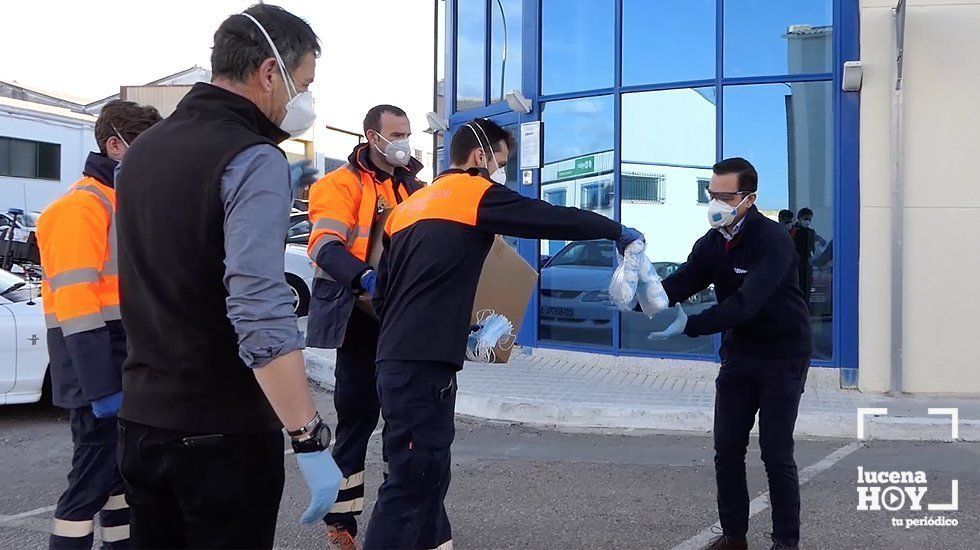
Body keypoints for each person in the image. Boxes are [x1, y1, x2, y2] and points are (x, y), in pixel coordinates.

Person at [114, 5, 341, 548]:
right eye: (302, 83)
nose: (300, 100)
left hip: (142, 422)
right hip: (221, 437)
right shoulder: (252, 157)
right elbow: (259, 306)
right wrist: (309, 437)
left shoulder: (139, 154)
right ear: (269, 72)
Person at [363, 118, 643, 550]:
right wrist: (613, 231)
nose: (501, 171)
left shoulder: (409, 208)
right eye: (501, 161)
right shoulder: (471, 193)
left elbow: (385, 295)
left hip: (399, 360)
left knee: (428, 472)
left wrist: (453, 327)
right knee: (411, 483)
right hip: (421, 366)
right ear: (479, 157)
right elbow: (549, 219)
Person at [646, 158, 811, 550]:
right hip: (740, 355)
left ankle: (786, 543)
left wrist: (692, 326)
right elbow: (683, 281)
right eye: (712, 194)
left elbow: (746, 304)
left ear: (749, 198)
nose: (716, 202)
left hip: (783, 355)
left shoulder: (773, 240)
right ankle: (734, 537)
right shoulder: (713, 241)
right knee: (728, 447)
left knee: (775, 453)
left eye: (725, 195)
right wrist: (641, 294)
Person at [37, 100, 161, 550]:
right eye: (145, 148)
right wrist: (100, 387)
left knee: (119, 484)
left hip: (121, 363)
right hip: (99, 371)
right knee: (88, 485)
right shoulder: (82, 207)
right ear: (115, 145)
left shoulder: (120, 202)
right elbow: (75, 302)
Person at [306, 104, 424, 549]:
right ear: (372, 136)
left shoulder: (413, 187)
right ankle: (342, 524)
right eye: (396, 134)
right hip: (357, 315)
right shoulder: (339, 185)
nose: (403, 143)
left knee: (402, 422)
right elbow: (324, 245)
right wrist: (365, 277)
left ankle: (398, 521)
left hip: (399, 317)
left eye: (407, 134)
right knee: (356, 421)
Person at [790, 207, 827, 303]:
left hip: (807, 263)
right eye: (805, 219)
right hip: (796, 264)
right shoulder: (794, 231)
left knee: (806, 291)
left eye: (809, 219)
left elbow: (822, 241)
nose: (807, 221)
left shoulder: (810, 232)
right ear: (799, 218)